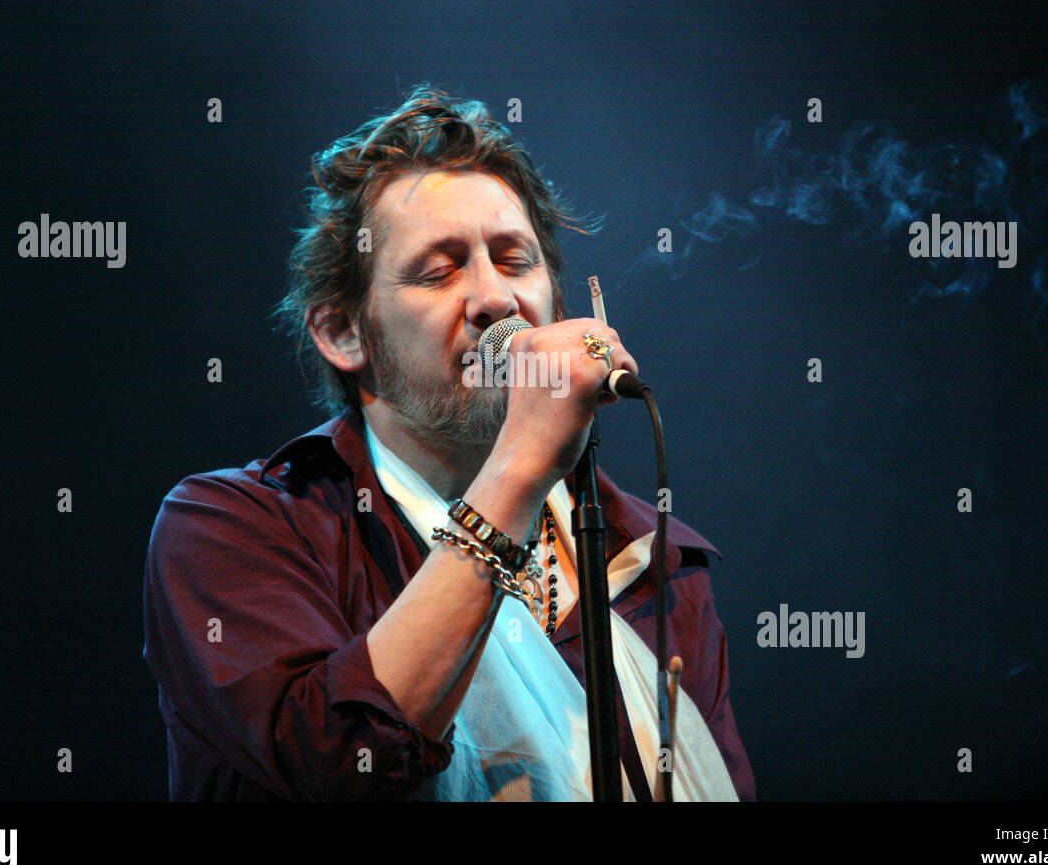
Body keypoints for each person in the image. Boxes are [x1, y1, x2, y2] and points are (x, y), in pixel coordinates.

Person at [142, 85, 755, 801]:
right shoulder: (234, 527)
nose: (494, 298)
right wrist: (521, 468)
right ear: (343, 332)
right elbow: (340, 758)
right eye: (440, 271)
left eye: (515, 261)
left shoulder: (655, 559)